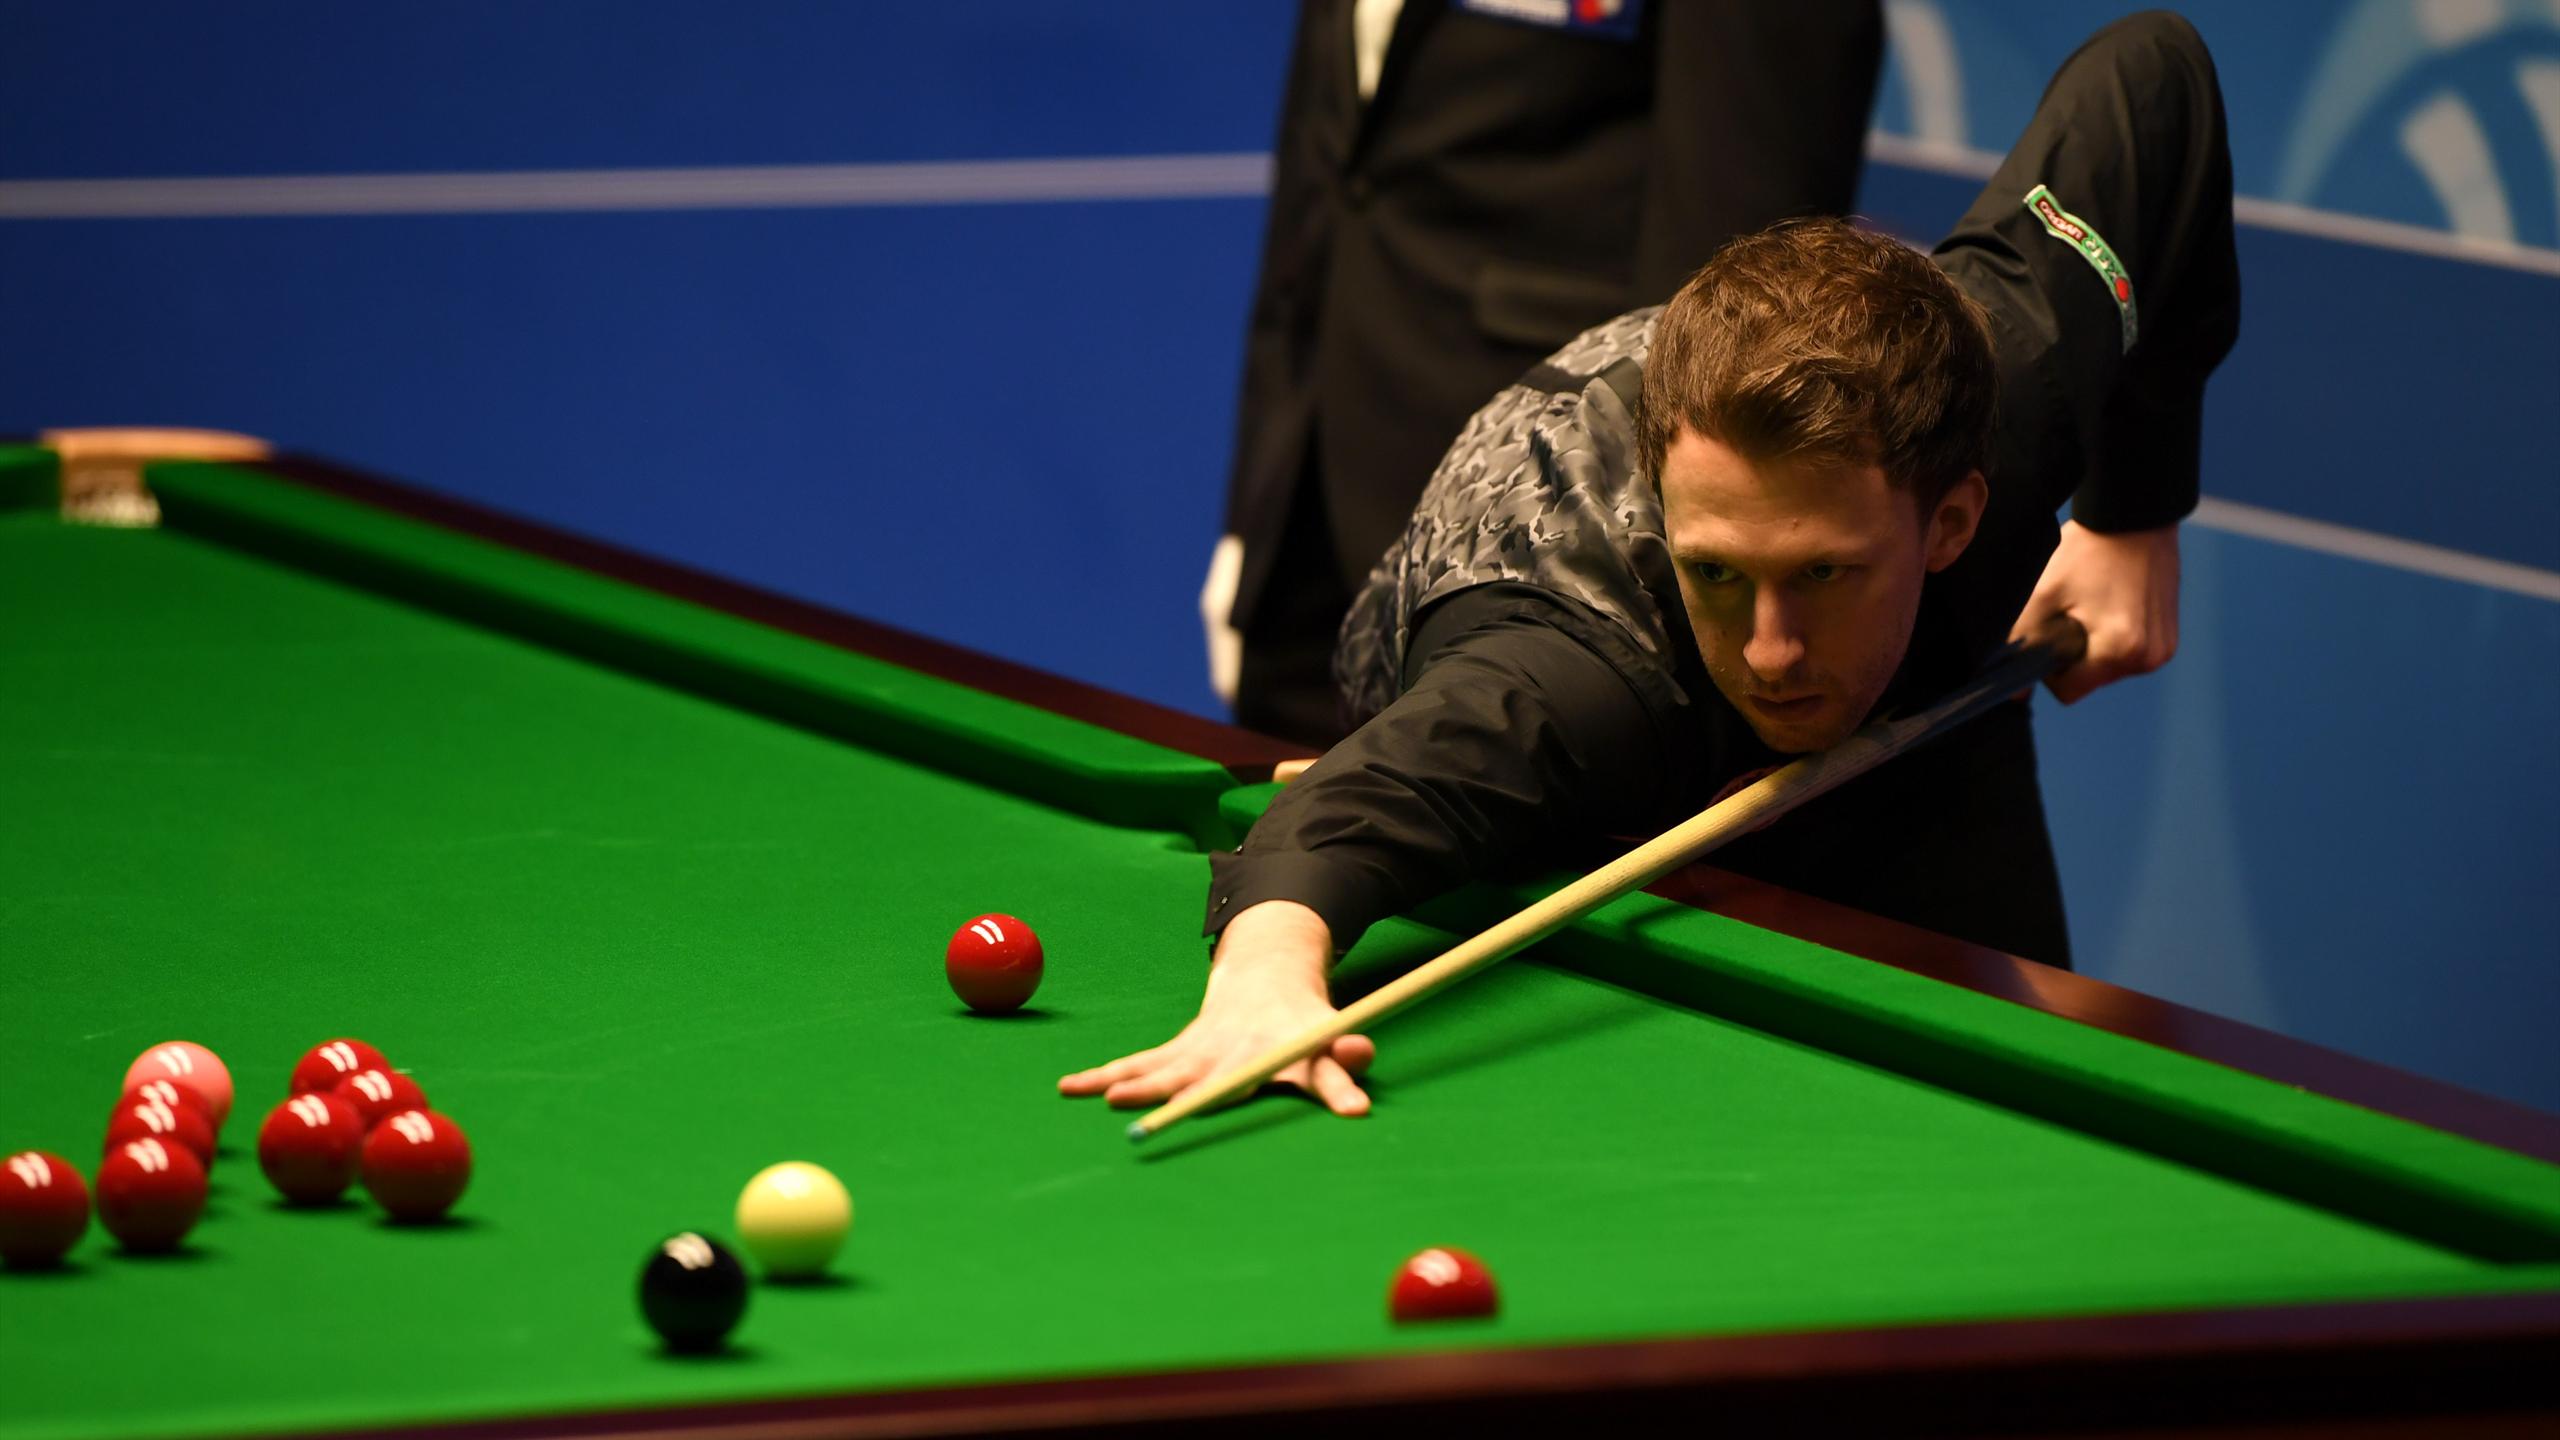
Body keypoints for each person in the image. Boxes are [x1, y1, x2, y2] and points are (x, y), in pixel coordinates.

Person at [1080, 13, 2238, 1121]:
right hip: (1601, 776)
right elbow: (1341, 817)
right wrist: (1264, 985)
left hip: (1920, 725)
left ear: (1951, 519)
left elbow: (2153, 76)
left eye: (1823, 575)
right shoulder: (1572, 674)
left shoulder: (2008, 379)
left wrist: (2134, 516)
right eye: (1719, 574)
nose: (1772, 650)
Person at [1207, 0, 1886, 747]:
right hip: (1307, 527)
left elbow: (1734, 284)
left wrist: (1655, 570)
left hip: (1551, 547)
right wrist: (1256, 510)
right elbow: (1333, 169)